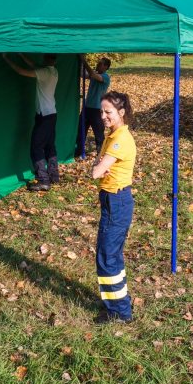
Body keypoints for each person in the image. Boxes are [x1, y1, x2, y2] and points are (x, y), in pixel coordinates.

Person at [90, 91, 136, 324]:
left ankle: (119, 312)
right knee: (111, 255)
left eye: (108, 112)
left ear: (121, 112)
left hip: (116, 202)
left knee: (107, 257)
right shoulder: (112, 135)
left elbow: (96, 171)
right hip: (112, 201)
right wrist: (97, 165)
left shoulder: (119, 139)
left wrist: (97, 167)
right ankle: (119, 302)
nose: (103, 116)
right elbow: (97, 166)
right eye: (101, 111)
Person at [2, 52, 59, 191]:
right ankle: (53, 177)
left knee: (36, 147)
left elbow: (22, 71)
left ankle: (43, 180)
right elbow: (34, 65)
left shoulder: (44, 72)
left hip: (44, 115)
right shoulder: (53, 71)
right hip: (52, 114)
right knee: (50, 146)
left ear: (44, 57)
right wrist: (21, 55)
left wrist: (6, 58)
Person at [75, 55, 111, 159]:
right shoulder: (94, 74)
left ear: (105, 68)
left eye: (100, 64)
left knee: (98, 133)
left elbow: (91, 74)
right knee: (81, 130)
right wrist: (80, 62)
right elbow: (82, 74)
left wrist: (83, 59)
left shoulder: (105, 78)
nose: (97, 65)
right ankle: (78, 152)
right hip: (87, 107)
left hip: (97, 110)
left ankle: (101, 154)